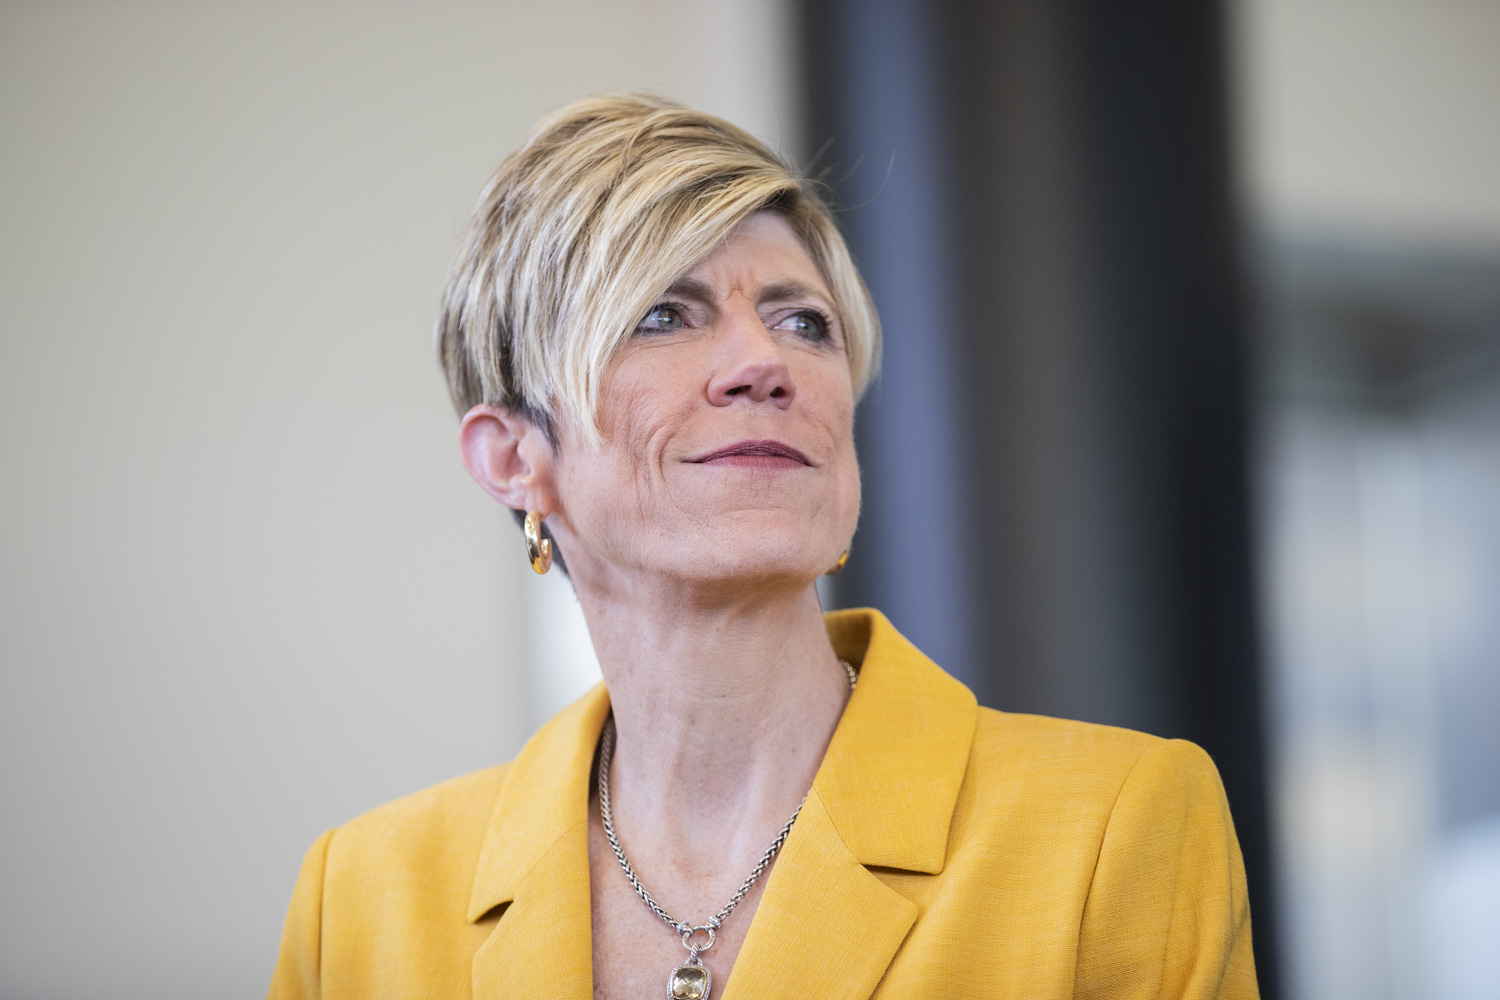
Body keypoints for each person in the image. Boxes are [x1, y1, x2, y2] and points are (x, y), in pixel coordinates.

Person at [268, 93, 1258, 1000]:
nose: (764, 363)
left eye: (804, 322)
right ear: (516, 457)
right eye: (665, 315)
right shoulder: (357, 900)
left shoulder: (1116, 828)